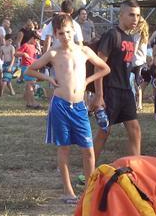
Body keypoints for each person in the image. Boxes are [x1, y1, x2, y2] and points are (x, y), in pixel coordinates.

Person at [24, 14, 110, 203]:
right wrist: (48, 78)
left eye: (68, 32)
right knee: (64, 149)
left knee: (88, 149)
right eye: (61, 33)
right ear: (55, 34)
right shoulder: (53, 53)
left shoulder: (84, 51)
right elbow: (30, 69)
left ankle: (89, 188)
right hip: (60, 105)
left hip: (79, 106)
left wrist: (88, 81)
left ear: (74, 31)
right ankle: (68, 190)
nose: (65, 36)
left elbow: (104, 68)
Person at [93, 0, 142, 163]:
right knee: (104, 131)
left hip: (126, 90)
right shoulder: (112, 35)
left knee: (134, 129)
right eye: (131, 15)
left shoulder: (131, 37)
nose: (135, 19)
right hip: (111, 90)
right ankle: (89, 171)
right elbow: (98, 66)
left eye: (138, 15)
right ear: (121, 15)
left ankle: (137, 169)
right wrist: (99, 96)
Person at [17, 29, 41, 109]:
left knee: (30, 85)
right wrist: (23, 54)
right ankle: (33, 102)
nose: (37, 42)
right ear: (32, 38)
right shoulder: (25, 45)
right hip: (26, 66)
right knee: (30, 84)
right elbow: (16, 53)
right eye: (36, 40)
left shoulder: (34, 47)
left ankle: (29, 102)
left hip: (33, 67)